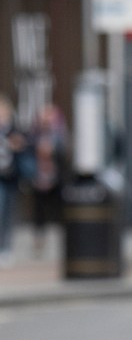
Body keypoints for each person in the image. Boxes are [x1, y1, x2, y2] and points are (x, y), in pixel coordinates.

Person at [28, 103, 68, 256]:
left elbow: (65, 153)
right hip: (38, 179)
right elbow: (28, 149)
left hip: (56, 178)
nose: (46, 119)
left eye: (49, 115)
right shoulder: (34, 134)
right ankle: (39, 239)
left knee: (58, 208)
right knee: (39, 211)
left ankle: (61, 239)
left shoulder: (60, 134)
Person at [0, 95, 29, 267]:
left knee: (9, 214)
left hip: (11, 178)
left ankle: (7, 248)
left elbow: (26, 148)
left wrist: (18, 146)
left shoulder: (14, 131)